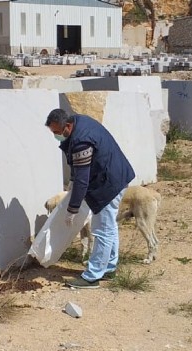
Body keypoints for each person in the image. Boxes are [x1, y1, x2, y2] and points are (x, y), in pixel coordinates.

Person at [45, 109, 136, 289]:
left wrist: (72, 209)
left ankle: (92, 276)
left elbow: (82, 180)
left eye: (57, 132)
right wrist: (73, 180)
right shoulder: (79, 120)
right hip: (114, 175)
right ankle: (109, 267)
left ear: (68, 126)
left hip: (109, 183)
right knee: (109, 226)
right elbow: (79, 172)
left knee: (101, 229)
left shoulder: (81, 142)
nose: (55, 136)